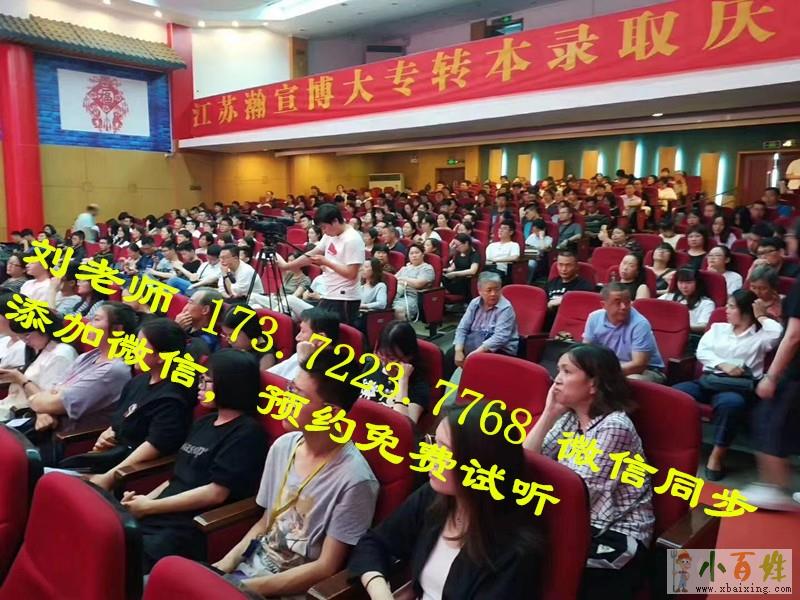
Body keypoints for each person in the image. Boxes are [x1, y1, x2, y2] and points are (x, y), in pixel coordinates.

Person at [210, 350, 378, 598]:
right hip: (247, 575)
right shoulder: (283, 446)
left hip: (289, 590)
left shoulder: (355, 480)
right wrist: (221, 569)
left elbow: (326, 567)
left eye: (297, 395)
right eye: (289, 389)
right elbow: (266, 522)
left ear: (331, 413)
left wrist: (242, 588)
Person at [350, 405, 544, 600]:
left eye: (445, 451)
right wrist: (379, 590)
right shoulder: (434, 497)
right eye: (434, 443)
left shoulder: (515, 553)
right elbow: (375, 542)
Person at [524, 344, 654, 600]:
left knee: (530, 560)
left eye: (566, 371)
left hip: (614, 532)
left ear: (593, 383)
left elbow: (579, 497)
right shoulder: (569, 417)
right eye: (558, 370)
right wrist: (549, 413)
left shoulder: (614, 427)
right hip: (574, 521)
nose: (557, 379)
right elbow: (527, 461)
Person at [123, 349, 268, 573]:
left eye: (206, 381)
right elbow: (175, 478)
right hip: (159, 513)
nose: (200, 386)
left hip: (189, 525)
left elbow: (216, 493)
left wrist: (150, 507)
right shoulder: (204, 422)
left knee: (124, 556)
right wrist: (140, 502)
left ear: (230, 385)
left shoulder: (246, 432)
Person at [60, 319, 195, 488]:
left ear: (162, 357)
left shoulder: (172, 399)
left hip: (128, 474)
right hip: (109, 456)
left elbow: (154, 446)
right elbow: (120, 417)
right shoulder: (138, 381)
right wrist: (107, 433)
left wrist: (108, 478)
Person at [673, 290, 782, 480]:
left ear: (746, 311)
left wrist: (761, 316)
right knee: (676, 394)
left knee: (731, 405)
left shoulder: (761, 336)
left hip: (736, 387)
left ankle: (716, 457)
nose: (726, 310)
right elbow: (702, 351)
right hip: (710, 380)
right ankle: (675, 445)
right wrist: (723, 364)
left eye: (732, 307)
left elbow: (778, 332)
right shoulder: (718, 328)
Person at [20, 302, 137, 463]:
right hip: (44, 428)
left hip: (67, 442)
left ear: (117, 330)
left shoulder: (113, 371)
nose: (88, 324)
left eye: (96, 319)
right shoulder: (88, 356)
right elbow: (49, 393)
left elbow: (51, 401)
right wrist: (43, 411)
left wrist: (45, 404)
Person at [742, 221, 800, 509]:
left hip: (795, 372)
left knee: (768, 420)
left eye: (790, 236)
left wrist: (772, 376)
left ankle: (776, 489)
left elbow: (794, 335)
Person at [279, 204, 365, 324]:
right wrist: (288, 266)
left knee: (333, 333)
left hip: (345, 298)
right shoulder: (329, 235)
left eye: (324, 227)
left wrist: (326, 262)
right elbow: (312, 254)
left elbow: (351, 273)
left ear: (335, 221)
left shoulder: (352, 239)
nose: (324, 232)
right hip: (329, 293)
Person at [0, 311, 78, 422]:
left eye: (27, 335)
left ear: (44, 328)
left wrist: (20, 379)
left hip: (28, 414)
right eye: (21, 337)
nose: (25, 341)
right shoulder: (37, 348)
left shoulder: (60, 355)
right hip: (13, 406)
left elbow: (50, 403)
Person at [583, 283, 665, 383]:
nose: (624, 307)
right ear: (604, 305)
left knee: (630, 380)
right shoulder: (594, 318)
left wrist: (604, 373)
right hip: (610, 366)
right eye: (618, 302)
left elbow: (639, 365)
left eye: (627, 302)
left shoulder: (640, 324)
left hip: (647, 370)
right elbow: (586, 351)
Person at [361, 320, 430, 425]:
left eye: (391, 358)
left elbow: (403, 426)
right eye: (381, 354)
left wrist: (403, 380)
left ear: (409, 356)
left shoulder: (417, 385)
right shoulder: (372, 366)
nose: (384, 362)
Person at [451, 272, 519, 373]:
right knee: (450, 356)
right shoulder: (474, 303)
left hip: (499, 348)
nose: (493, 294)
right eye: (489, 290)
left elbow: (500, 337)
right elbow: (462, 328)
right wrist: (458, 350)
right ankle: (441, 383)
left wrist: (475, 354)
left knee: (479, 364)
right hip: (476, 341)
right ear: (480, 291)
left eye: (497, 289)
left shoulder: (506, 307)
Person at [220, 304, 277, 372]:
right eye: (226, 335)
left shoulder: (266, 358)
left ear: (250, 330)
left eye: (232, 335)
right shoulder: (236, 347)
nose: (228, 339)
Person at [659, 269, 716, 334]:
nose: (684, 286)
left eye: (688, 283)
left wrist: (682, 327)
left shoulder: (706, 303)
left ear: (697, 283)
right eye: (680, 282)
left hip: (690, 335)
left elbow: (704, 326)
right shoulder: (668, 297)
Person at [174, 287, 224, 354]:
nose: (185, 307)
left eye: (190, 302)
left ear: (205, 310)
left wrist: (176, 330)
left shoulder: (206, 342)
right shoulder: (187, 327)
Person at [392, 244, 435, 321]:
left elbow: (418, 284)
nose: (414, 255)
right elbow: (393, 280)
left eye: (417, 253)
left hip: (412, 297)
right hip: (396, 295)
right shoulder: (405, 268)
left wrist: (402, 278)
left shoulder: (427, 268)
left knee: (397, 310)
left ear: (423, 254)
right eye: (411, 253)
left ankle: (402, 328)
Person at [443, 233, 480, 298]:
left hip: (464, 281)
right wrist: (446, 270)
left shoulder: (474, 255)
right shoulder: (458, 253)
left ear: (466, 243)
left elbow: (473, 271)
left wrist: (455, 274)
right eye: (455, 245)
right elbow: (452, 268)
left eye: (457, 245)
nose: (456, 248)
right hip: (455, 279)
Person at [484, 220, 520, 285]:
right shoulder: (491, 245)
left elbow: (515, 257)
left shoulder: (514, 245)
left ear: (511, 232)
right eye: (500, 228)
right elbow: (486, 259)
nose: (501, 230)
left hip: (500, 270)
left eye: (504, 228)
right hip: (488, 269)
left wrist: (497, 260)